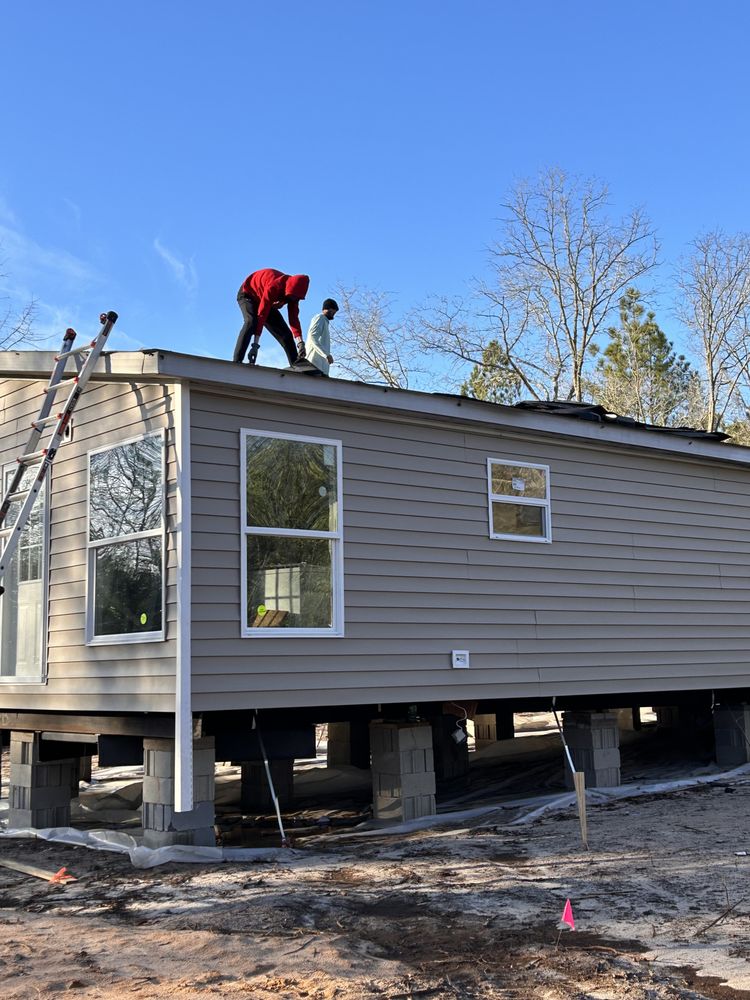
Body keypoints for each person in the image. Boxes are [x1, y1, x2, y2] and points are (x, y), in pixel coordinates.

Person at [233, 268, 310, 366]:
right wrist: (255, 346)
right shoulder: (274, 286)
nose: (292, 299)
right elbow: (262, 314)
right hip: (248, 294)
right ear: (289, 289)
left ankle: (297, 365)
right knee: (251, 322)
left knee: (285, 334)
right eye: (291, 297)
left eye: (295, 298)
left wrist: (300, 342)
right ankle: (237, 360)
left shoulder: (294, 296)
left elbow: (294, 319)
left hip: (265, 300)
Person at [304, 298, 338, 376]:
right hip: (314, 365)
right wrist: (326, 354)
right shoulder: (320, 318)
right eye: (333, 310)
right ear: (327, 309)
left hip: (321, 368)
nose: (334, 313)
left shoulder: (324, 321)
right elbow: (313, 337)